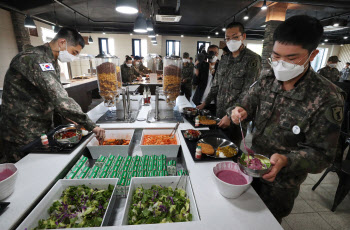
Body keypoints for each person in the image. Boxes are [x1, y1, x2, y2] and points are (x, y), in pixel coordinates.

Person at [230, 15, 344, 223]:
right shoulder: (267, 78)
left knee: (267, 222)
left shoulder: (327, 97)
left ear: (313, 54)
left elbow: (323, 155)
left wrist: (286, 160)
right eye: (276, 56)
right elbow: (246, 103)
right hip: (251, 167)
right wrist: (239, 110)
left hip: (281, 185)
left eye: (291, 58)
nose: (281, 64)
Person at [0, 27, 105, 163]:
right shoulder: (36, 59)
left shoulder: (51, 61)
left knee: (41, 166)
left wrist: (69, 116)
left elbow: (50, 96)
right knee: (25, 170)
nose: (73, 58)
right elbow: (59, 97)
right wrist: (91, 125)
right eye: (74, 52)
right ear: (62, 43)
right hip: (21, 130)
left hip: (39, 125)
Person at [197, 22, 261, 146]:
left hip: (237, 117)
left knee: (231, 150)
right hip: (219, 113)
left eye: (235, 37)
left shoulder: (252, 59)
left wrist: (229, 114)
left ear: (243, 36)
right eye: (227, 38)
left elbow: (249, 93)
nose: (231, 41)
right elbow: (215, 85)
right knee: (216, 146)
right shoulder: (225, 59)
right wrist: (205, 102)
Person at [192, 45, 220, 115]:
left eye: (215, 53)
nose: (213, 55)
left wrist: (211, 69)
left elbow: (219, 82)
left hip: (214, 102)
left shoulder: (221, 66)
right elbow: (195, 82)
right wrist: (197, 68)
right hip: (200, 100)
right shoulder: (203, 65)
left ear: (218, 54)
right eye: (211, 52)